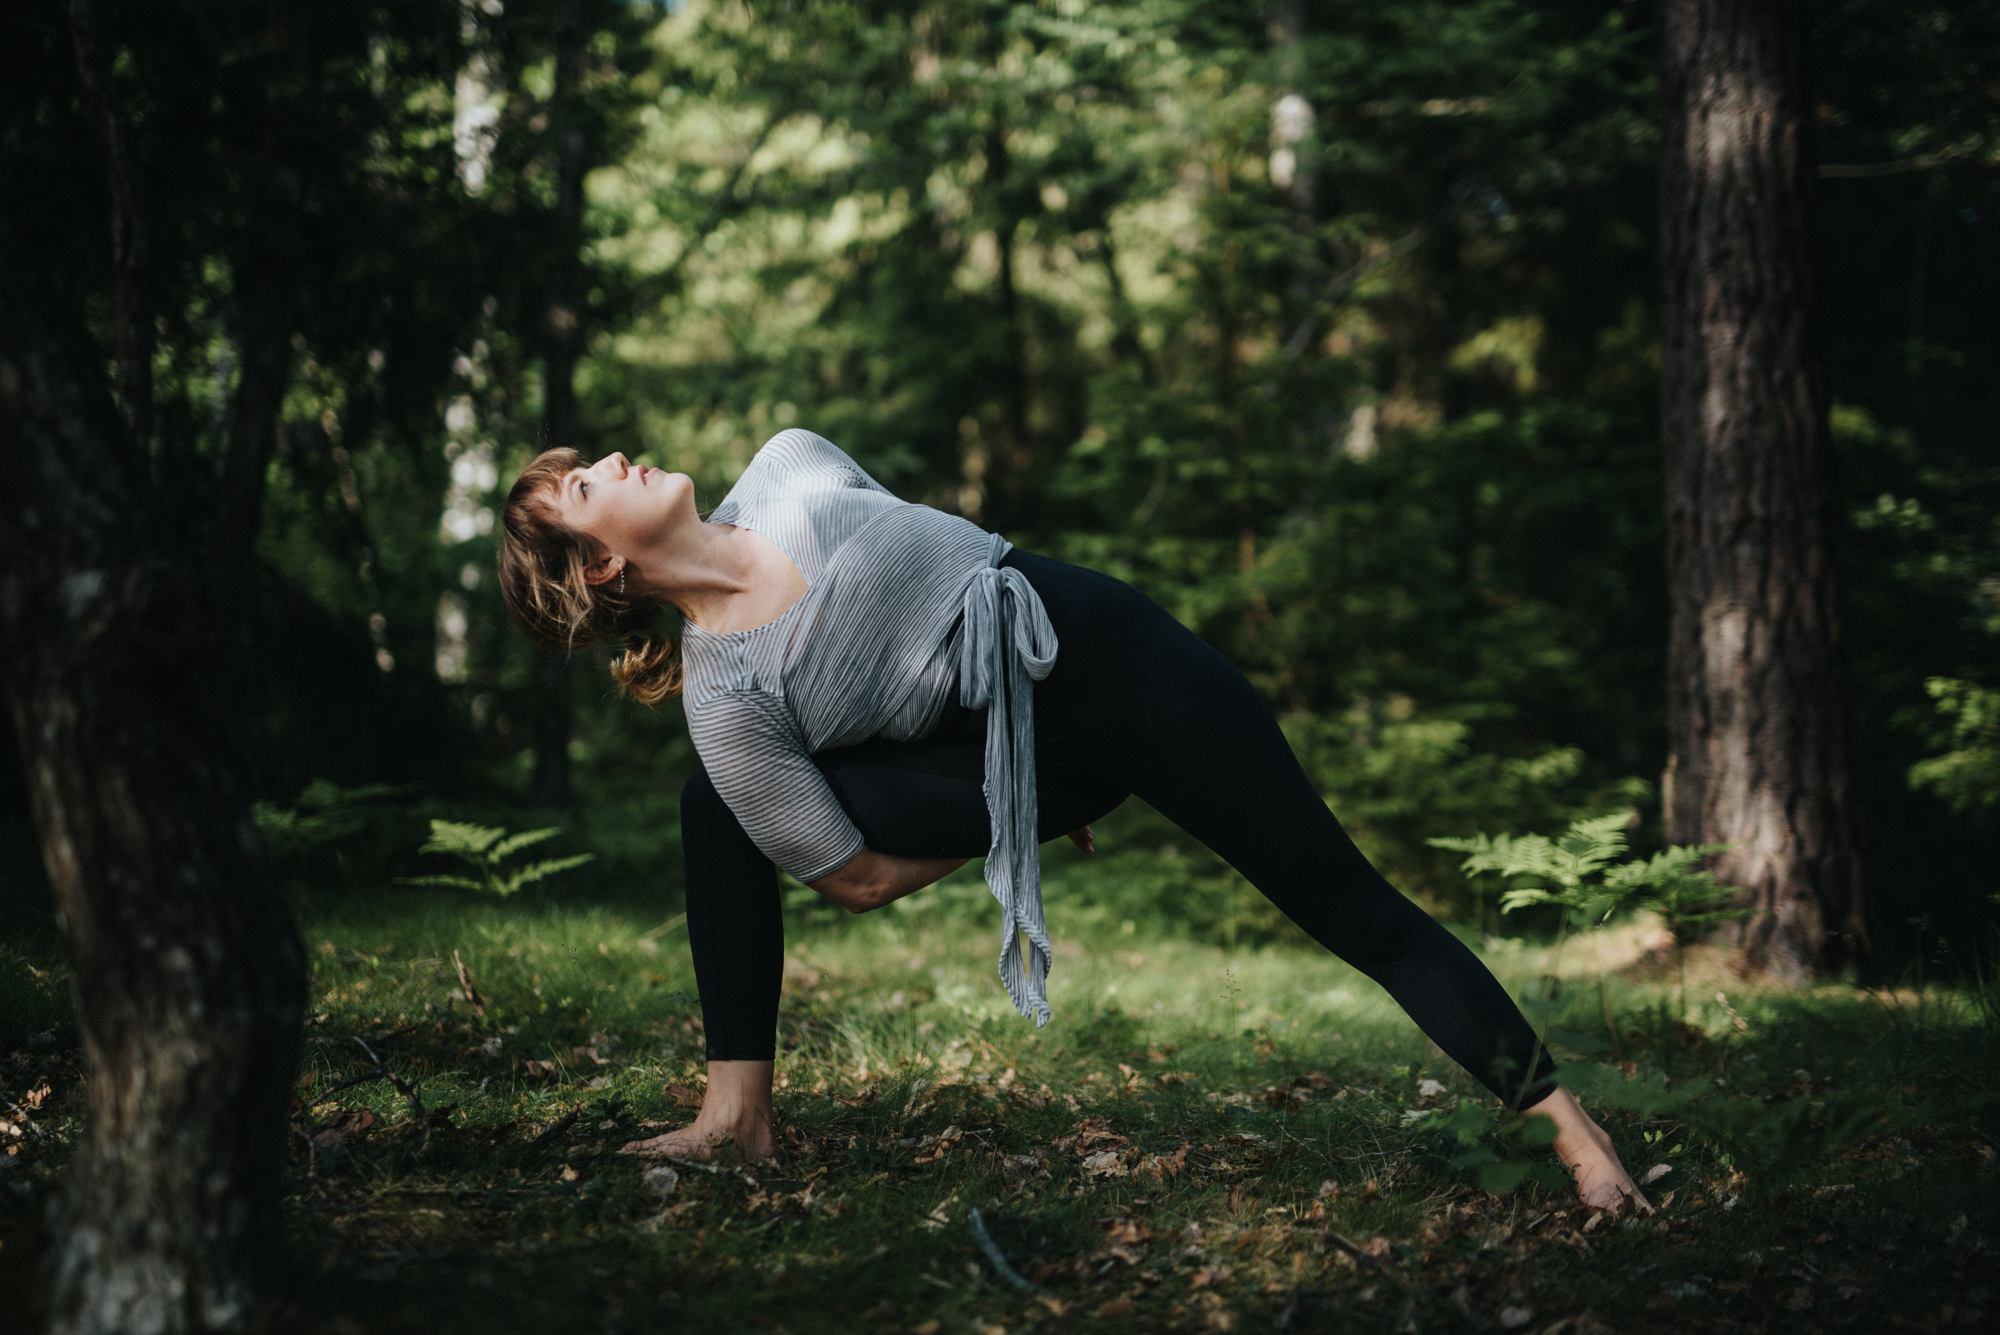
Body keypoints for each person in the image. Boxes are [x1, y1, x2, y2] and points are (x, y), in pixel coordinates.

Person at [498, 428, 1649, 1212]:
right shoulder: (728, 699)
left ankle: (1574, 1137)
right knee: (715, 809)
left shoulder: (789, 464)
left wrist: (983, 769)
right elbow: (852, 878)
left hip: (1131, 664)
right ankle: (733, 1116)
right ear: (600, 568)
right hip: (1032, 774)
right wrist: (1007, 806)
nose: (613, 456)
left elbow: (912, 625)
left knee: (1350, 906)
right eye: (587, 485)